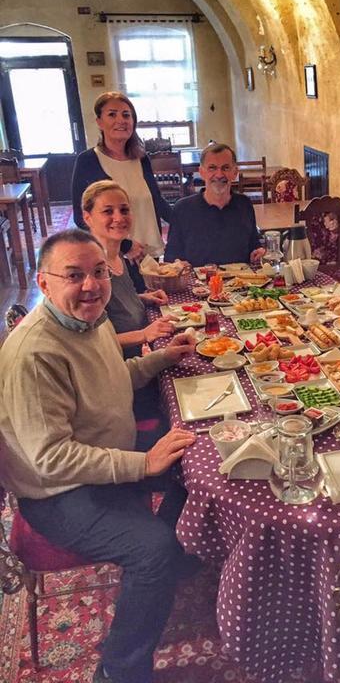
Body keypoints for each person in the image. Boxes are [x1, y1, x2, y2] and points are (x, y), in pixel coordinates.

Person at [0, 229, 198, 683]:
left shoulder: (91, 319)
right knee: (153, 549)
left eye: (97, 273)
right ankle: (119, 669)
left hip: (102, 458)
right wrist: (141, 465)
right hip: (57, 492)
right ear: (44, 283)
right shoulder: (37, 353)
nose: (90, 285)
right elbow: (51, 459)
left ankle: (176, 567)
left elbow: (112, 379)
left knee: (199, 461)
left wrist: (160, 358)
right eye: (73, 275)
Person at [82, 180, 177, 430]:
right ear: (87, 217)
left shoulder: (117, 257)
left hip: (137, 359)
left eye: (124, 210)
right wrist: (145, 334)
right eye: (108, 211)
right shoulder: (91, 270)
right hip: (117, 377)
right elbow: (91, 342)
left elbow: (119, 302)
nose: (118, 217)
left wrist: (142, 298)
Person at [71, 91, 172, 261]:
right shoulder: (87, 161)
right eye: (112, 114)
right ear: (99, 122)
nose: (121, 120)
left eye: (126, 115)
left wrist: (186, 221)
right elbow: (81, 216)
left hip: (149, 253)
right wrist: (125, 245)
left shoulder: (142, 159)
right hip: (115, 256)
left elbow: (157, 202)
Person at [165, 142, 266, 266]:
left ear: (235, 173)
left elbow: (253, 244)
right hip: (198, 284)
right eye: (212, 168)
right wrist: (178, 263)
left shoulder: (244, 204)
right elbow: (170, 257)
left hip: (241, 282)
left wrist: (258, 251)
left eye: (225, 168)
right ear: (201, 172)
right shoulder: (182, 209)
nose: (219, 175)